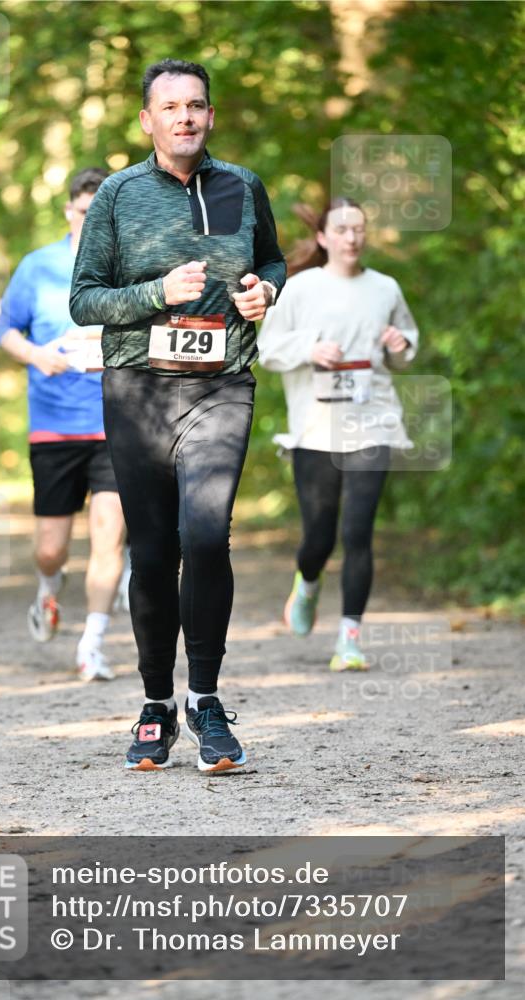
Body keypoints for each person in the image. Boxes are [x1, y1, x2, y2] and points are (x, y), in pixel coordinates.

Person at [70, 59, 286, 771]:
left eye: (196, 105)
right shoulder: (118, 196)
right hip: (137, 388)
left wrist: (263, 293)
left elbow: (274, 263)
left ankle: (207, 699)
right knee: (154, 550)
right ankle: (155, 703)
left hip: (221, 383)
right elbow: (85, 300)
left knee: (207, 533)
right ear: (147, 120)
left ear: (210, 116)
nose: (184, 117)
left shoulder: (242, 186)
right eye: (170, 107)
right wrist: (157, 291)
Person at [259, 198, 419, 670]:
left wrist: (400, 344)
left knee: (359, 531)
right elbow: (266, 349)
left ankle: (349, 637)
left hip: (374, 420)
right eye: (342, 229)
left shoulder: (385, 288)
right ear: (324, 238)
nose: (352, 237)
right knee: (319, 537)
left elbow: (406, 345)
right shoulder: (299, 289)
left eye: (359, 229)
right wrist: (311, 348)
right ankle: (307, 583)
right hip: (315, 426)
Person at [0, 168, 126, 681]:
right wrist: (35, 355)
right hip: (53, 424)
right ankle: (49, 589)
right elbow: (4, 329)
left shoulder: (127, 266)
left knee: (109, 538)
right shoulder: (38, 266)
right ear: (69, 211)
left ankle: (92, 644)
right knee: (51, 548)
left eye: (101, 214)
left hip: (115, 421)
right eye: (82, 211)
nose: (90, 220)